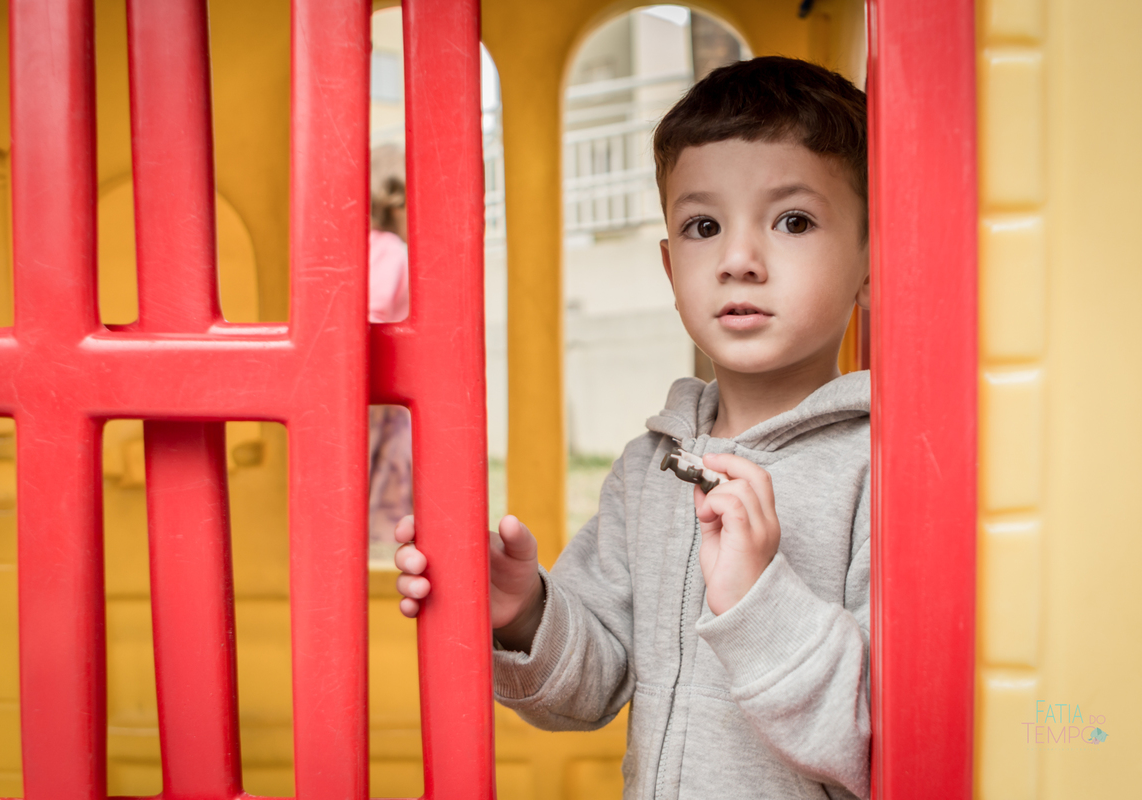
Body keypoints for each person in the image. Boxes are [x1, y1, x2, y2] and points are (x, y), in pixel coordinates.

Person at [394, 57, 873, 798]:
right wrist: (523, 614)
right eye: (703, 226)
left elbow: (881, 739)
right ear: (669, 264)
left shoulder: (882, 467)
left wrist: (758, 600)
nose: (739, 260)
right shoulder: (651, 468)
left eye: (794, 220)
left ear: (874, 262)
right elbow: (589, 686)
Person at [368, 175, 412, 557]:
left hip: (354, 376)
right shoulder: (391, 248)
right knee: (386, 464)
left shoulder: (360, 244)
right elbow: (376, 307)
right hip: (383, 374)